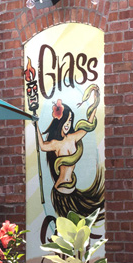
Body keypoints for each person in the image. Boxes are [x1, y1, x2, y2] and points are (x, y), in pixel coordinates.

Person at [36, 84, 104, 219]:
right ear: (59, 122)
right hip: (59, 192)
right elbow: (42, 146)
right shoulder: (55, 144)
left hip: (73, 192)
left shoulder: (74, 138)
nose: (68, 124)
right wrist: (35, 124)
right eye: (65, 121)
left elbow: (88, 125)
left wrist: (96, 100)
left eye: (70, 120)